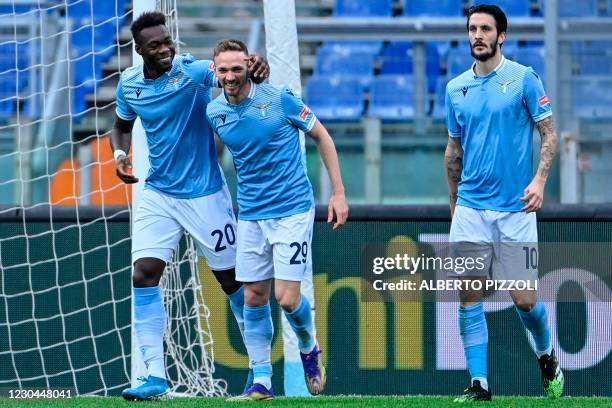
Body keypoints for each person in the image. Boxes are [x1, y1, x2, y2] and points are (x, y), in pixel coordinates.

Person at [109, 12, 269, 401]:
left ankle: (261, 375)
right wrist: (119, 152)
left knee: (234, 285)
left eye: (167, 41)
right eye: (155, 45)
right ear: (139, 50)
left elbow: (232, 76)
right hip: (158, 194)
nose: (165, 48)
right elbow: (121, 123)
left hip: (205, 195)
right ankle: (154, 375)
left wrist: (254, 68)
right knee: (143, 275)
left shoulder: (193, 72)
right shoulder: (129, 84)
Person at [207, 39, 348, 401]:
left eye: (236, 68)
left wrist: (338, 193)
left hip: (291, 209)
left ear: (248, 66)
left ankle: (307, 344)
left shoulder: (279, 98)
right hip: (251, 213)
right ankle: (262, 382)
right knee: (253, 297)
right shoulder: (215, 112)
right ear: (215, 71)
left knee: (286, 299)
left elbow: (322, 136)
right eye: (223, 70)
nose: (230, 76)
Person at [444, 4, 563, 402]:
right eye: (472, 28)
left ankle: (546, 355)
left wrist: (540, 181)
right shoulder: (455, 88)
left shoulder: (524, 79)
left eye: (485, 29)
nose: (477, 35)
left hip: (515, 211)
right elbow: (453, 151)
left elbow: (549, 135)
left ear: (501, 36)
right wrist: (453, 206)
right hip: (471, 209)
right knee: (468, 292)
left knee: (524, 300)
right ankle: (480, 384)